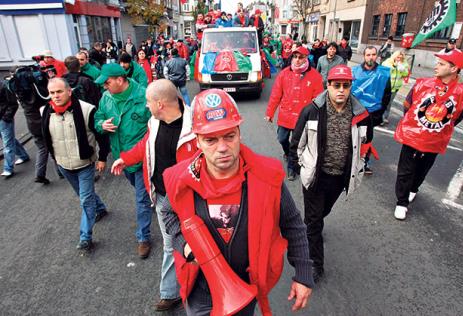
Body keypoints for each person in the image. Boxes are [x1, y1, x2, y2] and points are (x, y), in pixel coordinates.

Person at [161, 88, 314, 315]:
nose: (222, 147)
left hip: (246, 286)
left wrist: (303, 274)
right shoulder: (179, 178)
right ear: (198, 140)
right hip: (200, 289)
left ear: (239, 132)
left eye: (229, 136)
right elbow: (168, 213)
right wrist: (183, 244)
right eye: (210, 140)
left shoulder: (267, 175)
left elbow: (292, 223)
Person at [111, 80, 197, 311]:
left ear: (160, 103)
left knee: (194, 244)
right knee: (171, 244)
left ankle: (197, 291)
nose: (146, 106)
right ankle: (170, 293)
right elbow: (146, 146)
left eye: (148, 102)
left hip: (189, 201)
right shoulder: (155, 122)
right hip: (161, 197)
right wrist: (126, 158)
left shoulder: (195, 127)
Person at [290, 64, 373, 282]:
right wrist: (302, 166)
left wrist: (361, 164)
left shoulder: (361, 114)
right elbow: (296, 142)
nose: (341, 90)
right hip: (316, 177)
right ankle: (315, 265)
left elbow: (366, 144)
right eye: (336, 85)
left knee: (322, 213)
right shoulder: (312, 111)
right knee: (313, 221)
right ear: (328, 85)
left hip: (339, 178)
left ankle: (313, 227)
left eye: (345, 86)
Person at [393, 49, 463, 220]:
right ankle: (402, 202)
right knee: (405, 170)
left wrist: (437, 127)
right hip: (413, 137)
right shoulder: (422, 84)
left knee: (422, 169)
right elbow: (407, 106)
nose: (436, 66)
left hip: (435, 140)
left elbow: (458, 117)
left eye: (441, 64)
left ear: (454, 68)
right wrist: (416, 127)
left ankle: (413, 189)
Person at [42, 78, 110, 252]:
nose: (55, 96)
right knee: (83, 194)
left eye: (59, 92)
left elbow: (101, 136)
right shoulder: (45, 111)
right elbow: (47, 140)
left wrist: (102, 158)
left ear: (69, 91)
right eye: (52, 93)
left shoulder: (87, 110)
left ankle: (85, 237)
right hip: (64, 165)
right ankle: (100, 208)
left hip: (84, 164)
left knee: (85, 199)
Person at [94, 64, 153, 258]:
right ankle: (152, 197)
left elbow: (157, 123)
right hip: (121, 158)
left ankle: (143, 237)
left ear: (120, 80)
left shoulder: (144, 96)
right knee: (139, 191)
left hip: (142, 157)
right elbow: (98, 118)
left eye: (107, 82)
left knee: (141, 199)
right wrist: (101, 124)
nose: (104, 86)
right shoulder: (106, 98)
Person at [265, 46, 324, 181]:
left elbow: (318, 98)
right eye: (295, 57)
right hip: (286, 114)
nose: (297, 60)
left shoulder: (315, 75)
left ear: (306, 58)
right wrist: (270, 113)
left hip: (303, 117)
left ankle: (292, 167)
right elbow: (276, 94)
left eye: (301, 57)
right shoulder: (284, 74)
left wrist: (316, 116)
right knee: (282, 139)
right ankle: (288, 154)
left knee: (296, 144)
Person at [351, 46, 391, 174]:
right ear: (364, 56)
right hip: (356, 111)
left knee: (367, 138)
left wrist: (380, 113)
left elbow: (387, 94)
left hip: (373, 113)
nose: (371, 57)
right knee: (353, 136)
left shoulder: (383, 73)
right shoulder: (355, 71)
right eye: (368, 55)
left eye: (373, 54)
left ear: (377, 56)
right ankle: (352, 159)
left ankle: (365, 162)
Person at [0, 79, 30, 178]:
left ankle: (8, 169)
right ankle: (23, 155)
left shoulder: (4, 85)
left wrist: (6, 118)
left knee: (7, 143)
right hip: (3, 118)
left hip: (4, 119)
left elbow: (13, 104)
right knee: (9, 139)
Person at [381, 51, 409, 125]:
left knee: (389, 103)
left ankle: (385, 117)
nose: (399, 59)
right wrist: (393, 66)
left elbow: (406, 74)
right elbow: (384, 69)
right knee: (383, 102)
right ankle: (380, 117)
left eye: (401, 57)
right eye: (398, 57)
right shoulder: (388, 62)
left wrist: (402, 69)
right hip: (386, 86)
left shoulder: (404, 64)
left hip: (395, 87)